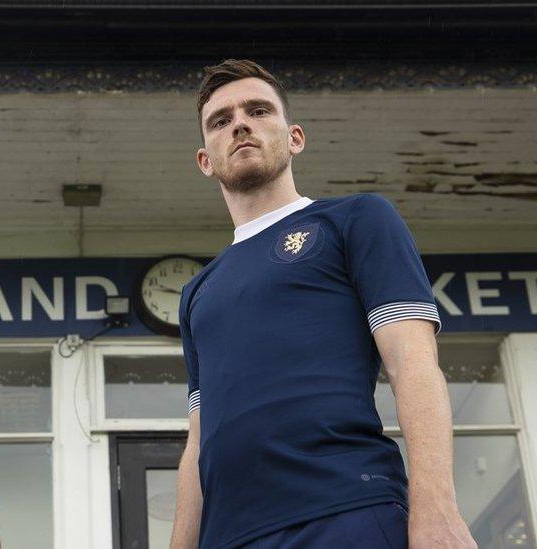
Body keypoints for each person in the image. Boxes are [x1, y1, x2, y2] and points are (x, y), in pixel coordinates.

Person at [169, 59, 477, 549]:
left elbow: (412, 363)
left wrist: (437, 510)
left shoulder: (356, 219)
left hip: (345, 510)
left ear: (295, 138)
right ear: (206, 160)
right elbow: (198, 439)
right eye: (221, 121)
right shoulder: (196, 292)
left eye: (258, 110)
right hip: (229, 536)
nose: (240, 124)